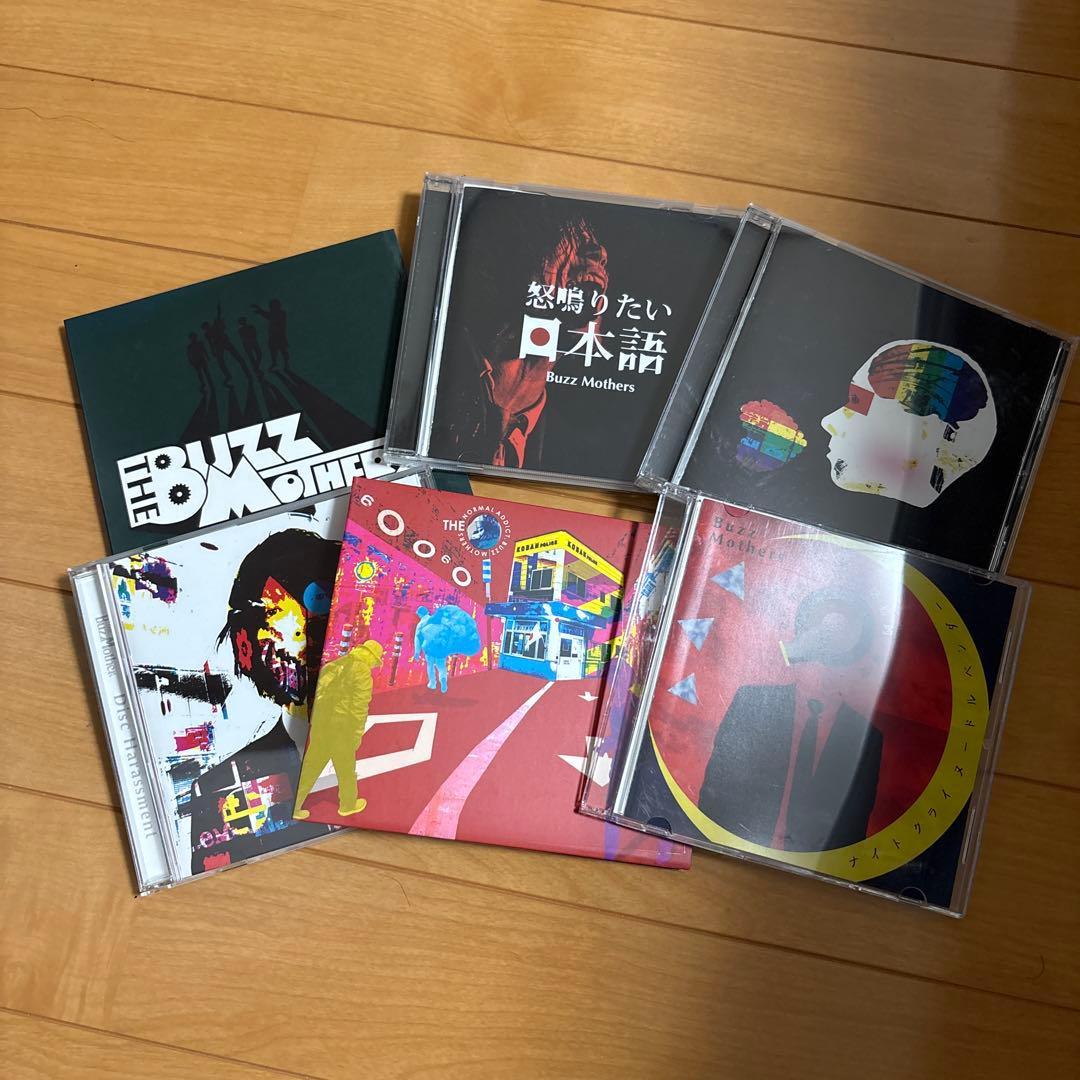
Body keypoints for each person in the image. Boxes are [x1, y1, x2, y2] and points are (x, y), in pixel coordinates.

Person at [293, 639, 384, 818]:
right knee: (346, 768)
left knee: (311, 766)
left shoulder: (334, 664)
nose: (374, 665)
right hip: (341, 727)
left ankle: (295, 807)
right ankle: (348, 805)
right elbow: (360, 706)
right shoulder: (362, 671)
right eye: (375, 661)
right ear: (370, 657)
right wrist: (356, 734)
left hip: (321, 723)